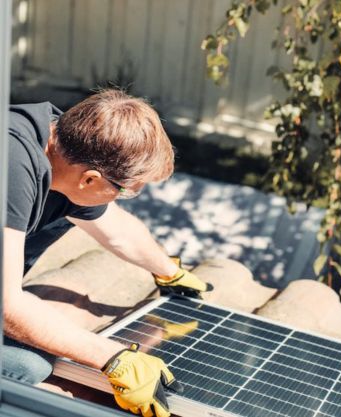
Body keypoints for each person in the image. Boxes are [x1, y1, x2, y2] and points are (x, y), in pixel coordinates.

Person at [4, 89, 212, 417]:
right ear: (90, 178)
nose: (119, 199)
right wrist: (112, 358)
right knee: (28, 365)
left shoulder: (61, 141)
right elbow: (7, 306)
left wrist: (168, 271)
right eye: (125, 192)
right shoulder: (10, 171)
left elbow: (116, 230)